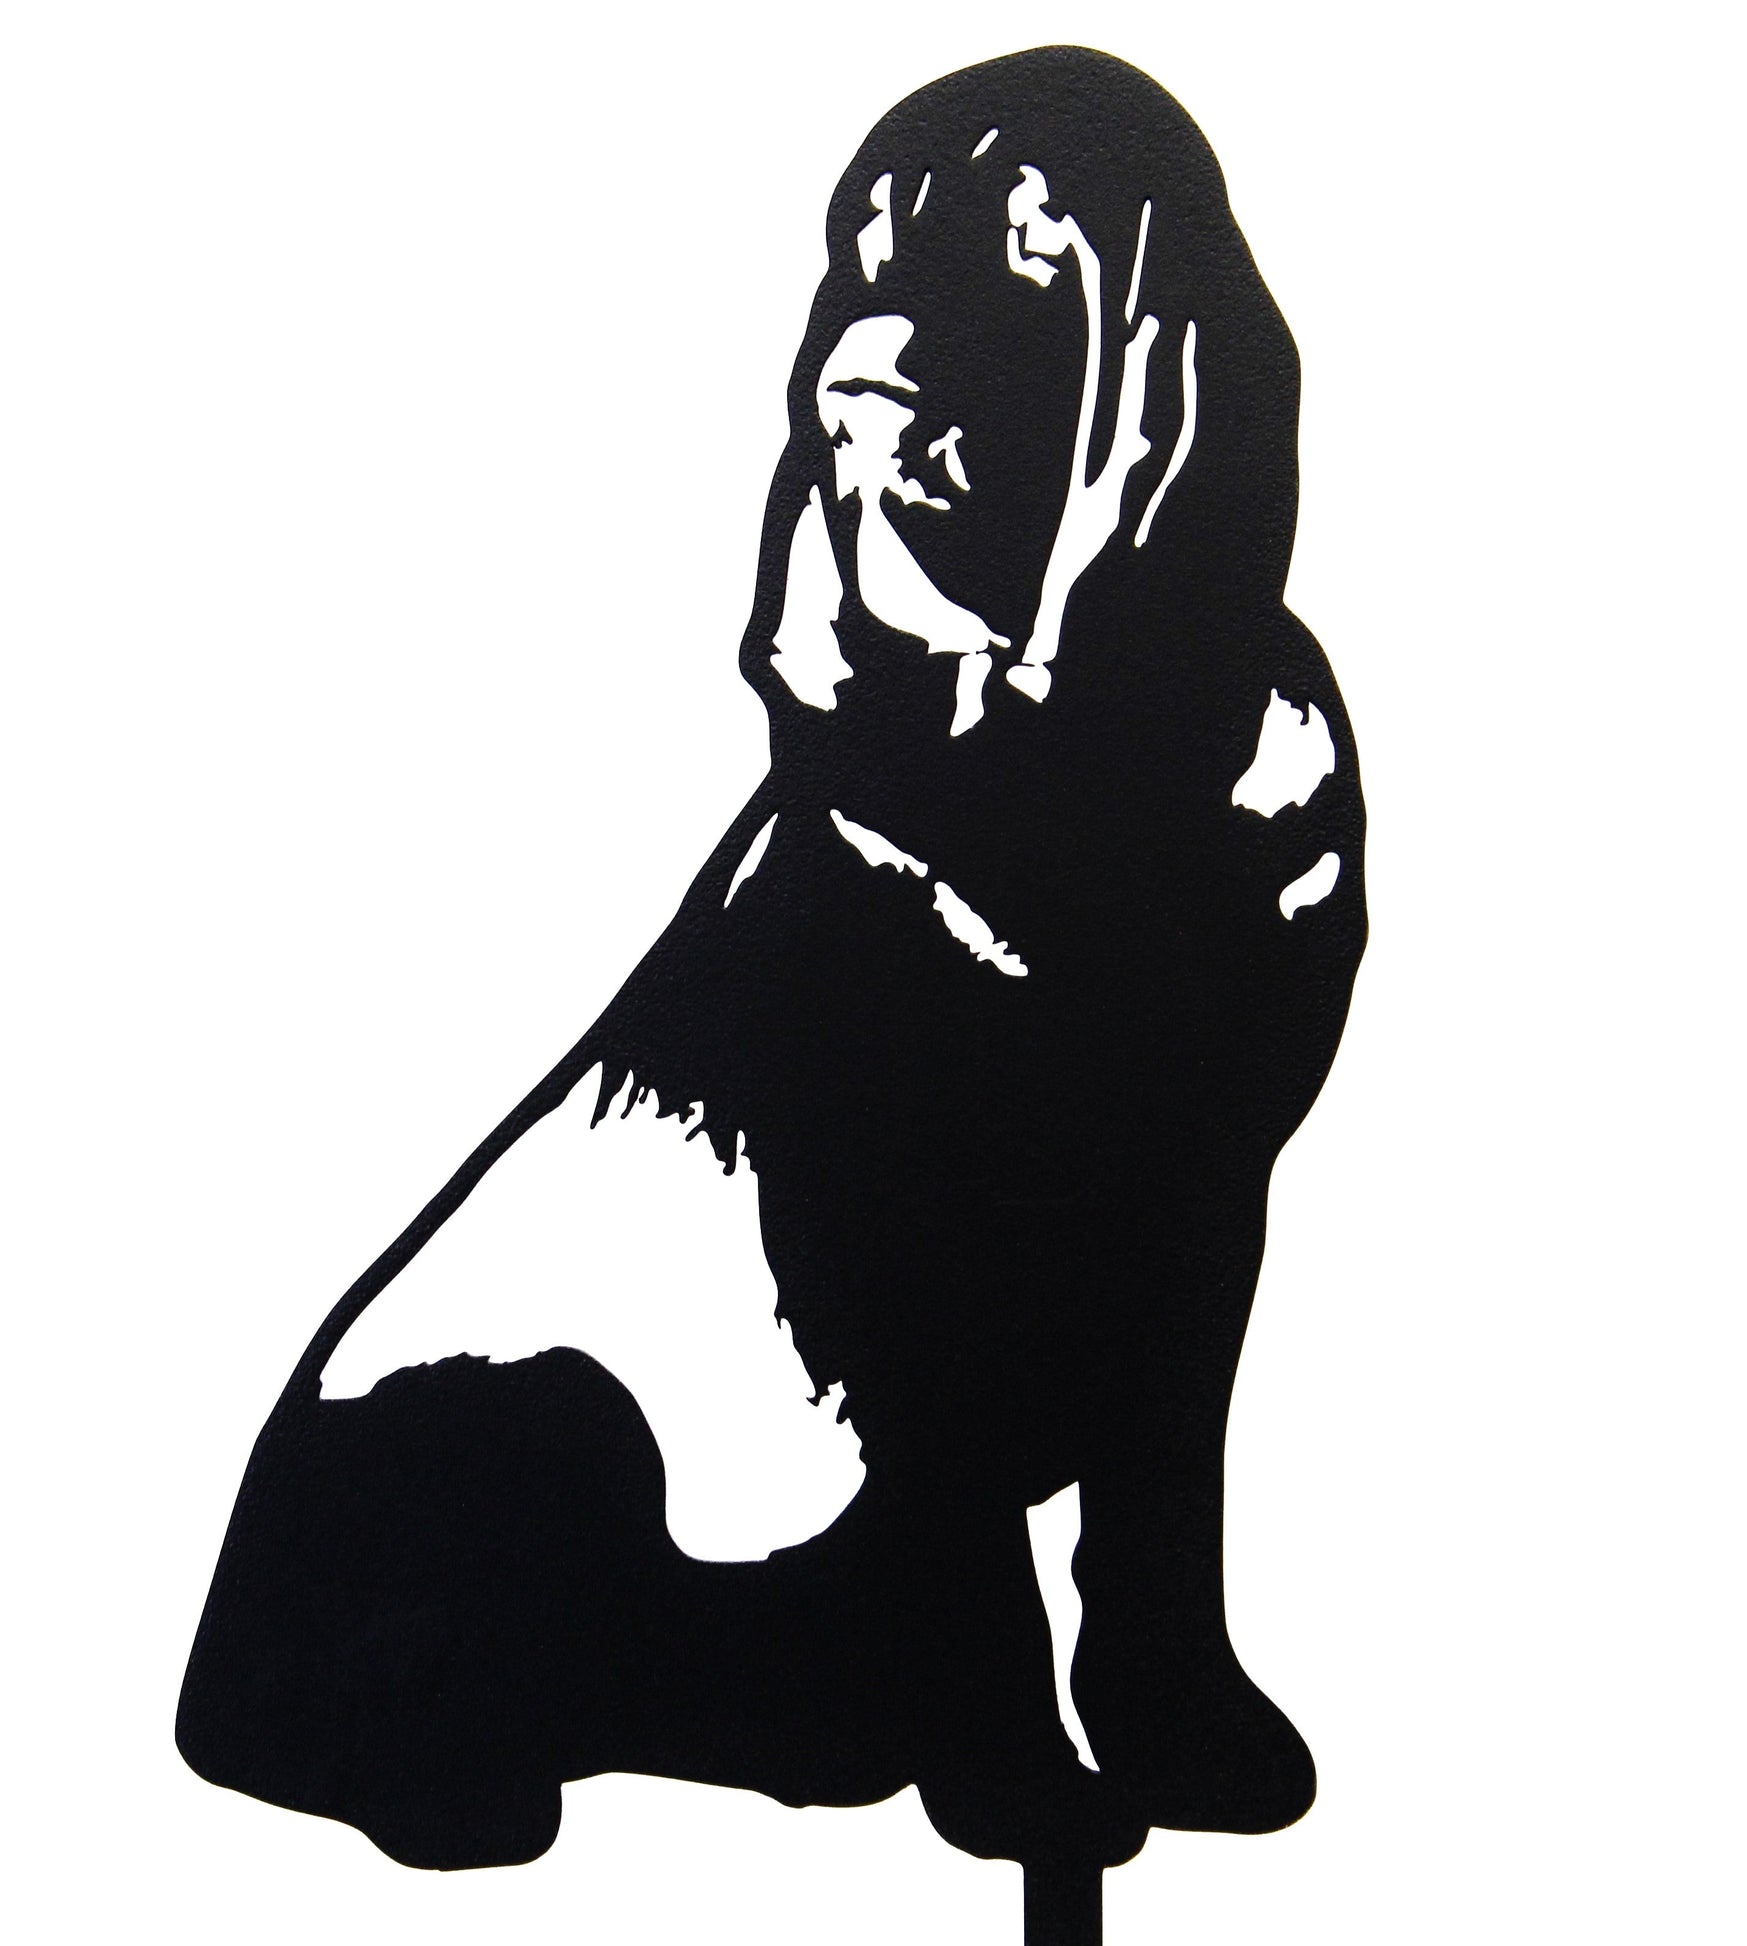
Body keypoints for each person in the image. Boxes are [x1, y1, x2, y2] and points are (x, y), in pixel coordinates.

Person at [179, 45, 1366, 1944]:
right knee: (828, 1369)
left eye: (1000, 275)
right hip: (451, 1473)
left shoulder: (1276, 771)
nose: (881, 351)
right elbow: (922, 1329)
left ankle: (1152, 1665)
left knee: (1159, 1229)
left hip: (808, 1465)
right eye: (872, 277)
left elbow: (1187, 1224)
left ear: (1163, 390)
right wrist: (991, 1727)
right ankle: (965, 1704)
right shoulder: (855, 847)